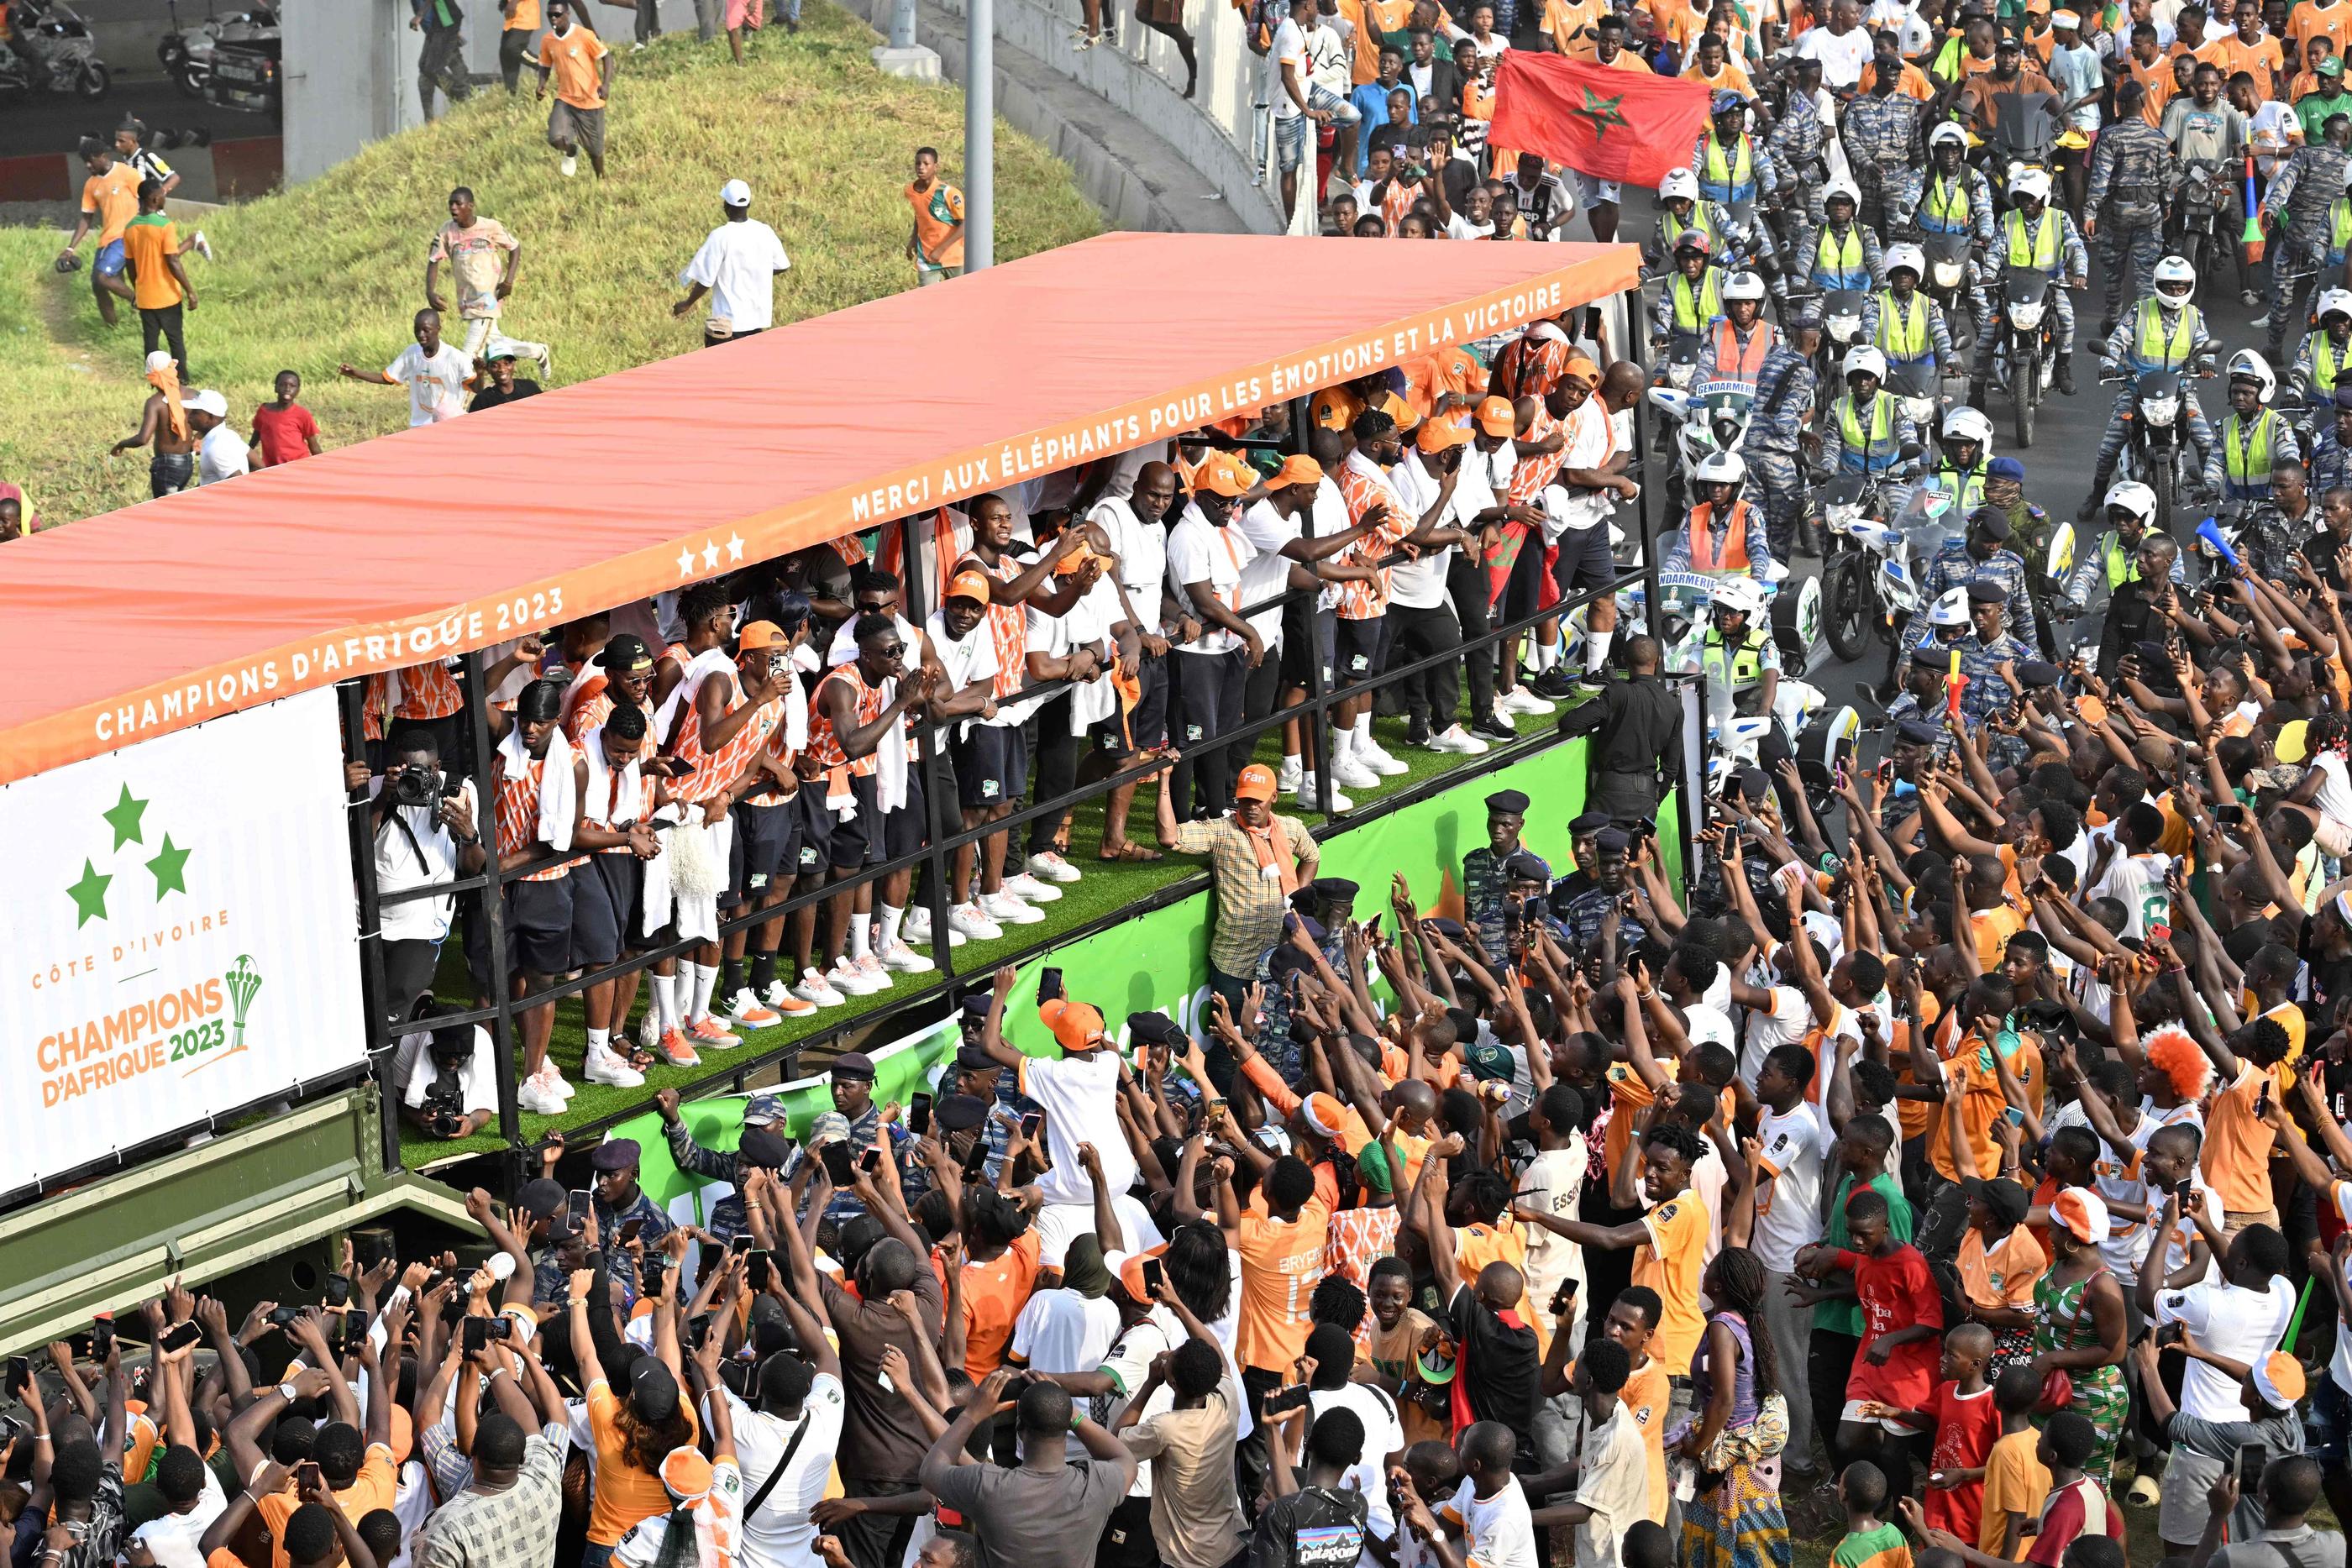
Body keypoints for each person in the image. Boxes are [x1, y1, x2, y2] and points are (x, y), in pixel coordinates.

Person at [919, 1371, 1136, 1568]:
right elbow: (1125, 1458)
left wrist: (972, 1413)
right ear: (1064, 1427)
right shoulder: (1098, 1485)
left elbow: (930, 1471)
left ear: (1019, 1428)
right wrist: (1071, 1414)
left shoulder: (988, 1485)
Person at [1971, 166, 2087, 407]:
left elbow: (2076, 247)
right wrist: (1988, 274)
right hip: (2012, 287)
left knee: (2066, 319)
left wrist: (2080, 274)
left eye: (2031, 198)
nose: (2026, 203)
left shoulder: (2060, 218)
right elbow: (1995, 250)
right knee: (1986, 335)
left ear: (2043, 198)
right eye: (2022, 198)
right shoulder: (2008, 219)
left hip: (2050, 286)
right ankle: (1976, 390)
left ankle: (2062, 369)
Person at [1555, 636, 1683, 821]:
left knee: (1598, 847)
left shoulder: (1619, 692)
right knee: (1635, 850)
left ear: (1624, 659)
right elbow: (1671, 768)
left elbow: (1570, 722)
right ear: (1658, 661)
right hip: (1646, 797)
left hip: (1609, 791)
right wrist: (1654, 799)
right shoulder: (1674, 706)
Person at [674, 179, 792, 347]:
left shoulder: (720, 236)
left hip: (727, 324)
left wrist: (687, 304)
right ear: (749, 204)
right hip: (757, 319)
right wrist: (756, 272)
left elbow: (706, 280)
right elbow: (782, 265)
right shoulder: (764, 231)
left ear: (726, 207)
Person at [55, 137, 139, 328]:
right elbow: (86, 218)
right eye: (84, 161)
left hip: (127, 236)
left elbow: (147, 200)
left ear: (102, 156)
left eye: (90, 160)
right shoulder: (91, 185)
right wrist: (70, 248)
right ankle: (112, 330)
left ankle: (140, 302)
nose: (87, 165)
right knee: (98, 285)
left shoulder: (127, 173)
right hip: (106, 241)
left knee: (104, 277)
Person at [340, 308, 472, 427]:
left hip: (449, 424)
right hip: (419, 426)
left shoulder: (454, 357)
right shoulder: (411, 353)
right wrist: (356, 373)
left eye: (426, 330)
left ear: (438, 329)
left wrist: (480, 372)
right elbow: (387, 378)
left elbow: (474, 387)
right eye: (417, 330)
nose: (420, 335)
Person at [120, 178, 193, 380]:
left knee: (150, 341)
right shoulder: (165, 226)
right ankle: (182, 379)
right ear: (153, 198)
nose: (164, 198)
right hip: (167, 295)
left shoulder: (130, 228)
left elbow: (130, 264)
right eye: (162, 195)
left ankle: (153, 378)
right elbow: (173, 260)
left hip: (145, 297)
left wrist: (137, 288)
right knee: (175, 340)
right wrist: (190, 291)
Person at [535, 0, 612, 178]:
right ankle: (571, 150)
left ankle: (601, 179)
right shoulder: (547, 40)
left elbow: (607, 57)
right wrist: (541, 84)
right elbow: (545, 65)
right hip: (566, 99)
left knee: (595, 149)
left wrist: (606, 84)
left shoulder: (583, 35)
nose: (553, 18)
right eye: (550, 15)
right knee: (556, 138)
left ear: (567, 14)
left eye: (557, 14)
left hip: (590, 101)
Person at [111, 350, 198, 496]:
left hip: (166, 466)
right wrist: (199, 437)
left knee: (166, 511)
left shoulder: (155, 403)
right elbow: (213, 417)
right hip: (188, 462)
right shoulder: (193, 394)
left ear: (151, 377)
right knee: (176, 504)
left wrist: (121, 444)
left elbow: (142, 439)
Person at [906, 147, 965, 286]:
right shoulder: (911, 191)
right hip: (927, 258)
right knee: (928, 300)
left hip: (954, 257)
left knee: (961, 297)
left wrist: (940, 250)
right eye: (918, 163)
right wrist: (913, 239)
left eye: (926, 164)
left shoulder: (948, 193)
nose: (921, 167)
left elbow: (965, 225)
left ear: (935, 167)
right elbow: (920, 215)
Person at [252, 370, 322, 465]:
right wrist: (245, 456)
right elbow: (256, 436)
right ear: (275, 388)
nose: (287, 389)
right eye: (283, 385)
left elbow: (313, 445)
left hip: (298, 465)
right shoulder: (264, 411)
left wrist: (323, 465)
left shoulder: (302, 414)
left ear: (298, 391)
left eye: (292, 386)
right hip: (272, 466)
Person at [186, 389, 249, 486]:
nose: (189, 417)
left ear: (210, 417)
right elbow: (258, 466)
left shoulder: (215, 448)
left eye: (195, 413)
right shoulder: (229, 435)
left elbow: (239, 485)